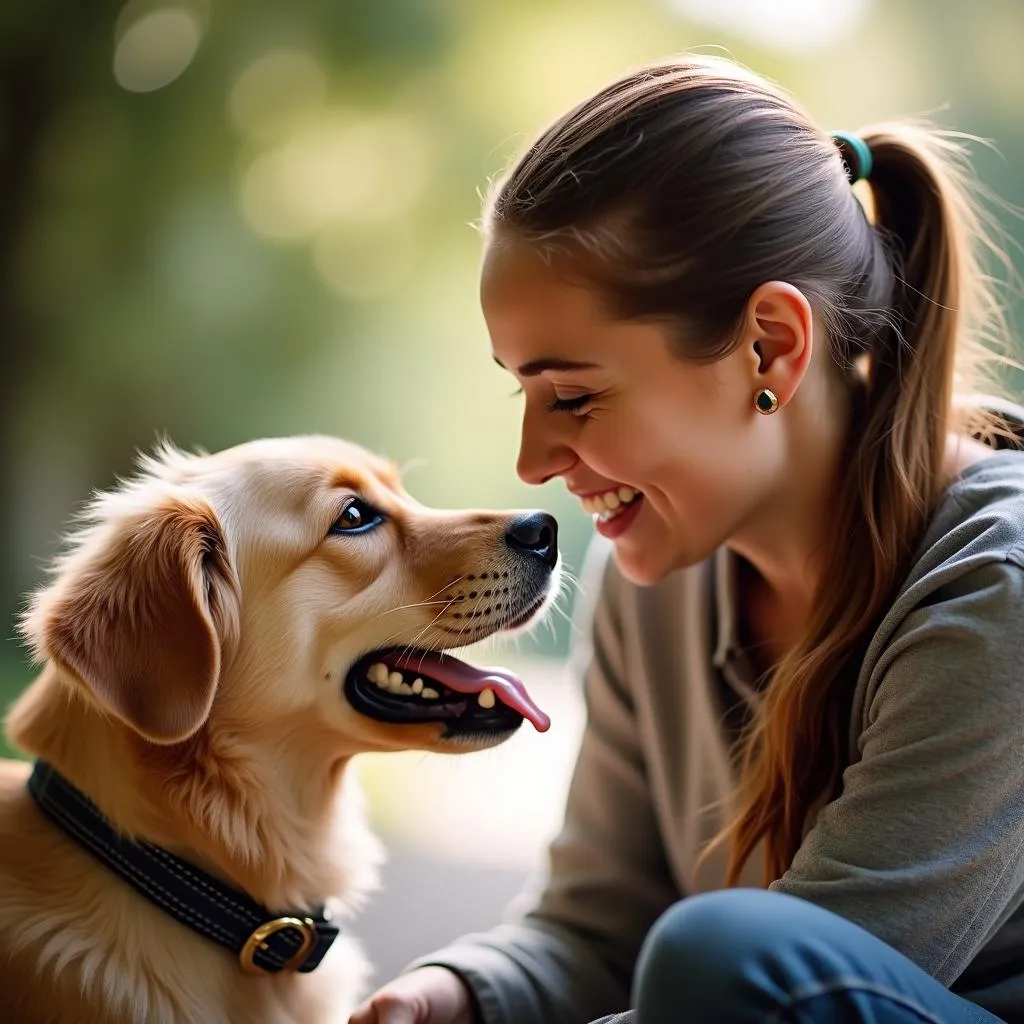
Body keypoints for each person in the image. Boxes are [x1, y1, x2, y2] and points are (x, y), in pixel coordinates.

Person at [349, 54, 1024, 1024]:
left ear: (770, 347)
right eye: (523, 393)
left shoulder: (996, 587)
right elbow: (599, 929)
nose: (533, 461)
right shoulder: (653, 568)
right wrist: (455, 996)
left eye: (572, 396)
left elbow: (767, 992)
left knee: (721, 949)